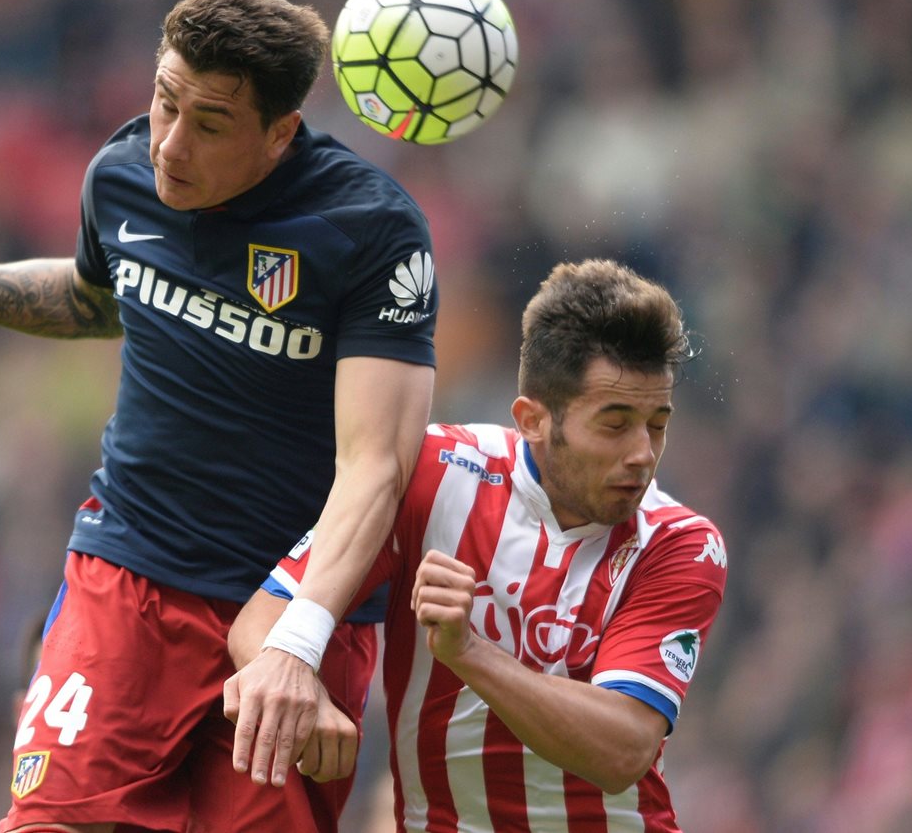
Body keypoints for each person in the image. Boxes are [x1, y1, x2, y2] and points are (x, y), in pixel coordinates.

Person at [0, 0, 437, 833]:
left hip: (289, 610)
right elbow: (90, 298)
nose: (170, 146)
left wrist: (296, 645)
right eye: (163, 103)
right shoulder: (120, 175)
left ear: (280, 132)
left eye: (210, 123)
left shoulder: (371, 230)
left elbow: (379, 462)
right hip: (127, 571)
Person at [227, 259, 728, 831]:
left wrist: (470, 651)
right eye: (615, 424)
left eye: (656, 424)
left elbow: (622, 751)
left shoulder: (680, 544)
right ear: (533, 420)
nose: (642, 453)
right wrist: (303, 690)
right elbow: (259, 622)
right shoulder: (432, 476)